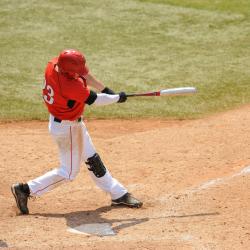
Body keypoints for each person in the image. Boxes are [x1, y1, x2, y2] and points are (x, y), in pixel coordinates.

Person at [11, 49, 143, 215]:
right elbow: (94, 100)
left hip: (67, 123)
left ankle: (118, 194)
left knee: (92, 159)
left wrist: (106, 89)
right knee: (68, 173)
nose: (80, 72)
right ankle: (26, 189)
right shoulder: (69, 85)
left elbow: (85, 75)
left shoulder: (54, 64)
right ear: (68, 71)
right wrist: (117, 98)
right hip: (68, 129)